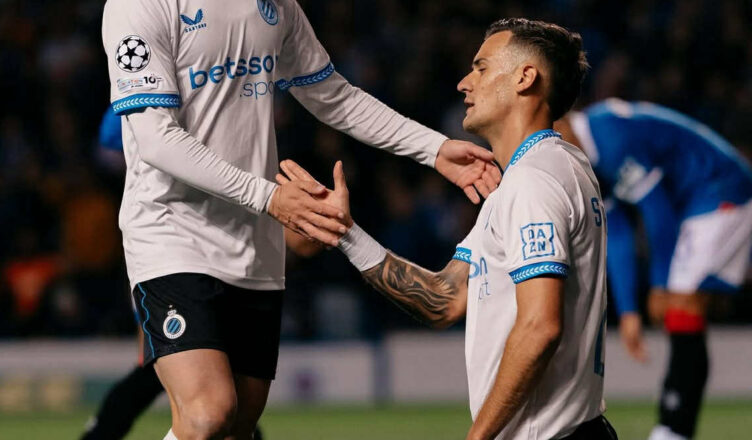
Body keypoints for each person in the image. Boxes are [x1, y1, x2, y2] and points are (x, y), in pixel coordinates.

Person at [102, 0, 501, 438]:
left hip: (256, 243)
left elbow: (333, 95)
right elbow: (156, 139)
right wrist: (269, 196)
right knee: (207, 415)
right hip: (173, 231)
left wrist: (433, 149)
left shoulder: (278, 6)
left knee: (236, 427)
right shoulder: (140, 5)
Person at [279, 18, 618, 440]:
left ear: (525, 78)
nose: (464, 83)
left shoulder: (534, 182)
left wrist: (478, 436)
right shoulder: (548, 170)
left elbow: (540, 327)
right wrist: (347, 233)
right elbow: (444, 299)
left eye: (481, 68)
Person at [555, 99, 752, 440]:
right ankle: (675, 426)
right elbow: (617, 234)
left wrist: (659, 285)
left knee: (683, 304)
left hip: (720, 189)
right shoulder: (591, 159)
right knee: (684, 308)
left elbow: (658, 213)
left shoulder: (610, 136)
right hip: (696, 201)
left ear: (561, 125)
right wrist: (629, 310)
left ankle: (674, 428)